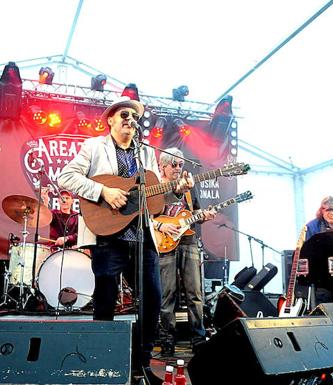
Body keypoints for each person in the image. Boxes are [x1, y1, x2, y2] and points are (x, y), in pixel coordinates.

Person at [58, 97, 192, 384]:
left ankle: (140, 366)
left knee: (153, 300)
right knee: (105, 299)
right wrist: (103, 192)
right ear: (110, 120)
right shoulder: (94, 146)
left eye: (133, 115)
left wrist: (177, 191)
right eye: (124, 114)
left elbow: (152, 199)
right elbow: (66, 176)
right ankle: (101, 363)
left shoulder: (145, 153)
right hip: (107, 237)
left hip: (142, 237)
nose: (130, 118)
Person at [154, 147, 216, 357]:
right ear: (163, 166)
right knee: (167, 294)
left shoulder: (189, 187)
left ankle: (198, 338)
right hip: (164, 243)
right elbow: (148, 216)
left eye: (181, 165)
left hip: (188, 241)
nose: (178, 169)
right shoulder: (155, 187)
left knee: (195, 293)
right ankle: (167, 340)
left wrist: (204, 215)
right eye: (174, 165)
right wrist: (161, 226)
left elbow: (195, 211)